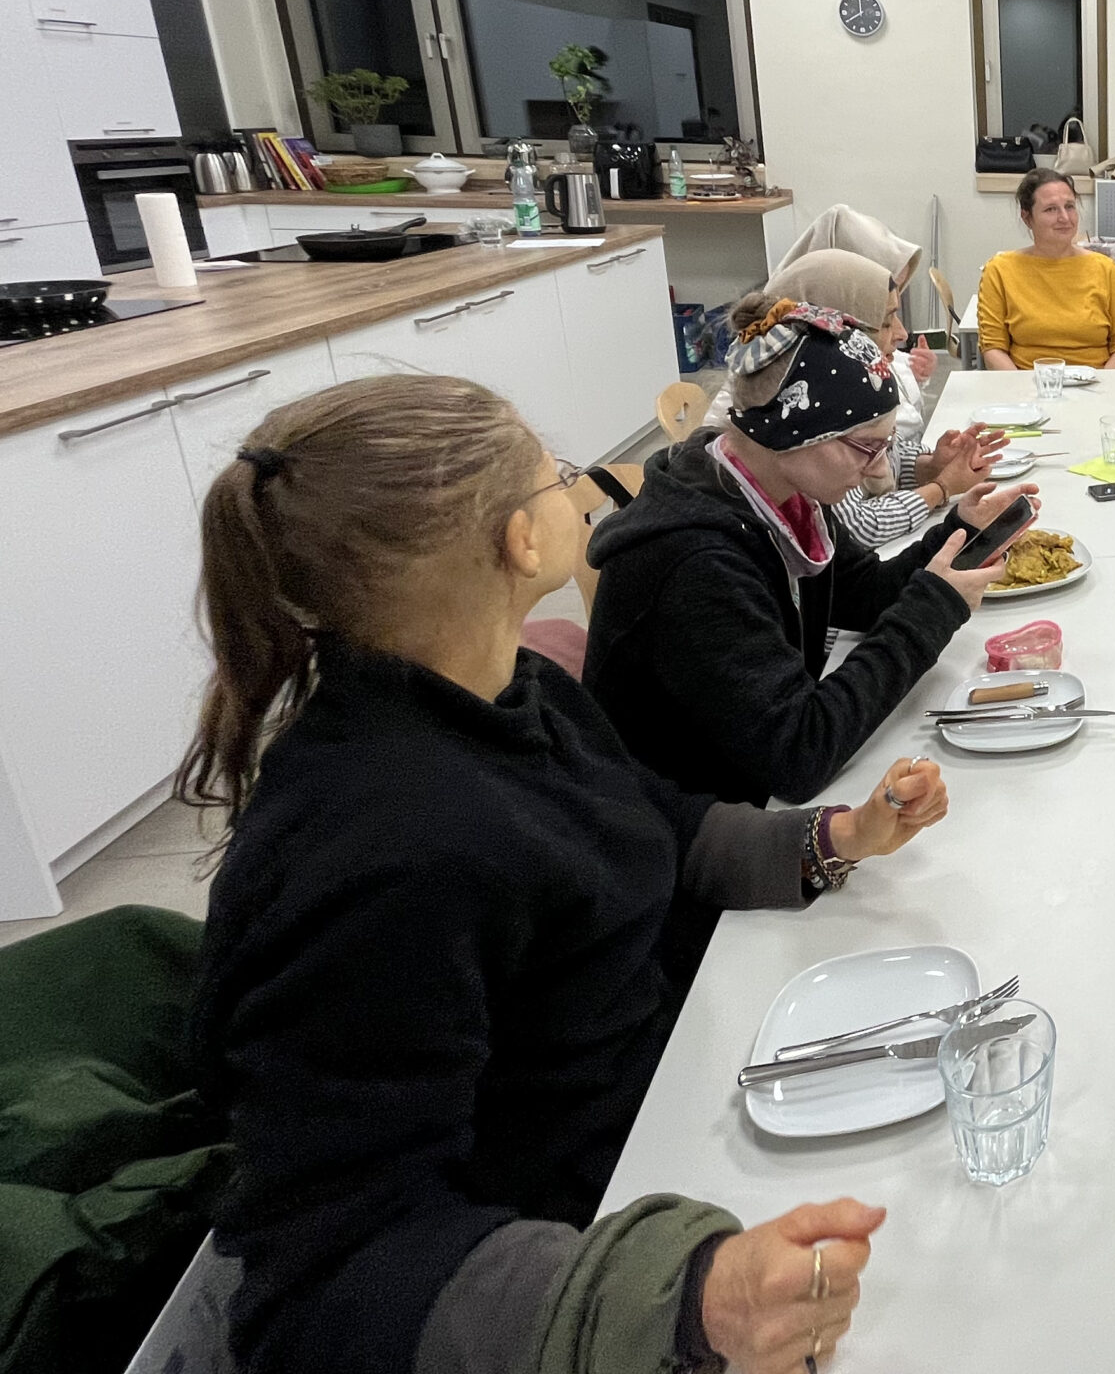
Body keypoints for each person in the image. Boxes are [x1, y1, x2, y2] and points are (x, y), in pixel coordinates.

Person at [185, 374, 943, 1374]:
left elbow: (647, 820)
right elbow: (327, 1273)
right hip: (578, 1246)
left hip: (664, 1095)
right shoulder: (386, 852)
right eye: (557, 478)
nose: (577, 492)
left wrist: (832, 838)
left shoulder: (510, 689)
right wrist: (683, 1302)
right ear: (520, 541)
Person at [586, 294, 1026, 806]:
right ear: (793, 433)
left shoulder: (780, 492)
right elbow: (800, 753)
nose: (879, 470)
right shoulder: (697, 563)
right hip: (681, 820)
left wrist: (957, 532)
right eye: (867, 447)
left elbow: (864, 594)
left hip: (737, 785)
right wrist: (935, 608)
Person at [758, 247, 1002, 547]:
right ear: (835, 322)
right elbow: (856, 527)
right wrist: (941, 487)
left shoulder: (848, 381)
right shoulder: (802, 405)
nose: (902, 334)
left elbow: (889, 456)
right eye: (886, 321)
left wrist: (932, 464)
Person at [778, 204, 938, 435]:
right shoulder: (815, 388)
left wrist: (914, 377)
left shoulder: (857, 352)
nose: (902, 333)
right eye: (884, 319)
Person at [976, 169, 1115, 370]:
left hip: (1097, 383)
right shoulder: (1000, 270)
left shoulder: (1105, 269)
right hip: (1026, 383)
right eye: (1051, 209)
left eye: (1069, 207)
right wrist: (1021, 386)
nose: (1064, 217)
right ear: (1027, 218)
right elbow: (993, 347)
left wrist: (1104, 385)